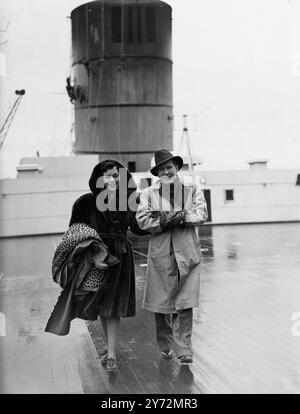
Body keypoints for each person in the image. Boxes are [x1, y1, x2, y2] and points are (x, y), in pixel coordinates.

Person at [45, 160, 147, 372]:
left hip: (120, 258)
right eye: (107, 175)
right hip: (95, 260)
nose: (112, 179)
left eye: (116, 175)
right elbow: (76, 231)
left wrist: (158, 221)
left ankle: (111, 354)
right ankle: (110, 350)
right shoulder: (85, 203)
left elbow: (137, 227)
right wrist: (94, 252)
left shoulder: (127, 201)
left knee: (113, 307)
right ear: (98, 179)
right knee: (102, 307)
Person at [136, 149, 208, 364]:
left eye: (169, 167)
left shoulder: (193, 189)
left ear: (177, 168)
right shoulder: (148, 193)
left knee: (185, 302)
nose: (166, 171)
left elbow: (202, 214)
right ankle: (165, 344)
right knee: (161, 302)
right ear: (157, 172)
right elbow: (142, 220)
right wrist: (162, 222)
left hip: (187, 252)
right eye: (162, 169)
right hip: (161, 252)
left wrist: (182, 217)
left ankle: (184, 348)